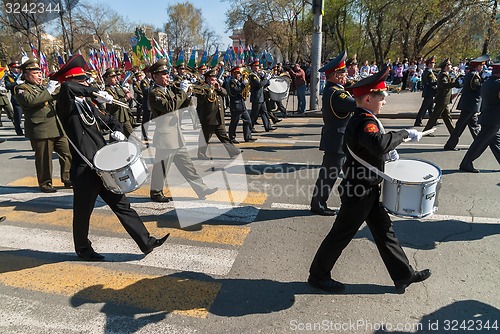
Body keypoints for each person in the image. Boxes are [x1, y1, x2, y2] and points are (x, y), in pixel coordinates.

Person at [308, 65, 431, 294]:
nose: (384, 101)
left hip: (366, 188)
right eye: (381, 97)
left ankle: (403, 275)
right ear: (367, 99)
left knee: (385, 232)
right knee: (341, 235)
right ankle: (318, 275)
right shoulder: (365, 121)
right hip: (359, 190)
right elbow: (379, 144)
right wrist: (404, 134)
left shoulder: (364, 117)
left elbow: (378, 144)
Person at [52, 55, 168, 261]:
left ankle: (146, 241)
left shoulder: (87, 105)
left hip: (102, 166)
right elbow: (67, 89)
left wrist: (118, 131)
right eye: (83, 80)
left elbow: (109, 120)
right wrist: (94, 92)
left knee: (122, 205)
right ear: (72, 81)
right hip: (84, 168)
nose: (87, 82)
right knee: (82, 214)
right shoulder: (65, 104)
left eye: (87, 80)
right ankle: (83, 249)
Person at [148, 58, 217, 203]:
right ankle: (155, 192)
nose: (168, 76)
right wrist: (183, 93)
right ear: (155, 76)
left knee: (188, 166)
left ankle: (201, 189)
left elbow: (181, 104)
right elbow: (169, 107)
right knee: (162, 167)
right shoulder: (154, 93)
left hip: (176, 135)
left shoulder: (169, 90)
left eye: (167, 73)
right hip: (166, 137)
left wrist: (188, 95)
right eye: (164, 74)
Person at [14, 58, 72, 193]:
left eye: (40, 72)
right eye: (36, 73)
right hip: (40, 129)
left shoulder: (41, 87)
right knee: (44, 159)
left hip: (56, 126)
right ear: (26, 74)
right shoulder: (21, 88)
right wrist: (49, 91)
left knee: (67, 153)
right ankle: (45, 183)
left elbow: (53, 97)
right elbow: (31, 101)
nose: (40, 75)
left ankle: (68, 178)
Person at [310, 51, 355, 216]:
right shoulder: (337, 93)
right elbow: (355, 104)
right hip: (337, 141)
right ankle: (318, 204)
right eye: (343, 73)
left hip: (338, 139)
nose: (346, 75)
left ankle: (349, 203)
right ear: (336, 75)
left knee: (348, 174)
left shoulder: (334, 89)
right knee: (328, 176)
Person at [459, 61, 500, 173]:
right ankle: (466, 163)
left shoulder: (487, 82)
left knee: (496, 142)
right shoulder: (498, 84)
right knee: (480, 143)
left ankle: (466, 163)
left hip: (489, 116)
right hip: (494, 118)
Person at [444, 55, 488, 151]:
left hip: (470, 104)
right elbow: (477, 88)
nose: (482, 67)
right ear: (477, 66)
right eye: (481, 65)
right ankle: (450, 145)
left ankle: (479, 144)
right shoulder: (474, 75)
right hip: (471, 104)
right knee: (460, 126)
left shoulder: (472, 74)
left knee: (474, 125)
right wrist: (485, 83)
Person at [196, 68, 241, 159]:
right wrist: (209, 90)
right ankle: (201, 154)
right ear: (208, 79)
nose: (215, 80)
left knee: (224, 136)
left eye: (215, 78)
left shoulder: (216, 86)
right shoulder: (202, 87)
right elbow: (201, 99)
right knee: (205, 137)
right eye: (213, 78)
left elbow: (225, 93)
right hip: (208, 117)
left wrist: (219, 88)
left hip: (218, 116)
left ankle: (233, 152)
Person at [423, 58, 460, 135]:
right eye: (450, 65)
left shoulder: (445, 74)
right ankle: (426, 131)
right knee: (434, 117)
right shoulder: (443, 75)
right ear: (446, 66)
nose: (451, 66)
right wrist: (455, 84)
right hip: (442, 99)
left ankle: (453, 133)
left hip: (444, 99)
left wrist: (453, 79)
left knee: (447, 117)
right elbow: (444, 85)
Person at [227, 66, 256, 143]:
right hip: (236, 105)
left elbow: (241, 90)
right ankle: (232, 138)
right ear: (233, 74)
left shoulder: (238, 81)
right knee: (234, 122)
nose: (239, 75)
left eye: (239, 73)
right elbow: (235, 91)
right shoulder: (231, 82)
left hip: (242, 105)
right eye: (237, 73)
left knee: (248, 120)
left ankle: (248, 137)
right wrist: (243, 85)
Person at [103, 68, 134, 138]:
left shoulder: (118, 87)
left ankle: (137, 147)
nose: (115, 78)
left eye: (115, 76)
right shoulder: (107, 90)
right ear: (107, 79)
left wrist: (128, 97)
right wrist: (126, 98)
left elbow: (125, 100)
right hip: (116, 117)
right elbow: (114, 102)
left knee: (132, 136)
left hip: (124, 115)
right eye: (113, 77)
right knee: (116, 138)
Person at [249, 60, 275, 131]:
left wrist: (265, 78)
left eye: (258, 66)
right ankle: (250, 127)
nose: (258, 68)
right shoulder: (252, 76)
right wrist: (266, 79)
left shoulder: (257, 75)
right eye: (256, 66)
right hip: (256, 97)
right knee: (254, 113)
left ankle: (268, 126)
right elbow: (260, 85)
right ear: (252, 67)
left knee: (264, 112)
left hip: (261, 97)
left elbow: (265, 84)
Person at [414, 56, 437, 126]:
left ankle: (433, 121)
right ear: (429, 64)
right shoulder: (428, 72)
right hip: (429, 93)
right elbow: (430, 83)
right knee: (424, 108)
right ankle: (418, 121)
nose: (434, 64)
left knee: (431, 108)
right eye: (433, 63)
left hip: (430, 93)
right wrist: (438, 83)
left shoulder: (429, 71)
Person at [4, 61, 25, 136]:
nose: (17, 69)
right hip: (16, 99)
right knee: (18, 117)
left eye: (18, 67)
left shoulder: (23, 75)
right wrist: (16, 83)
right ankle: (19, 131)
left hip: (25, 98)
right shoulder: (8, 77)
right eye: (15, 67)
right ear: (11, 68)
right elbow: (8, 86)